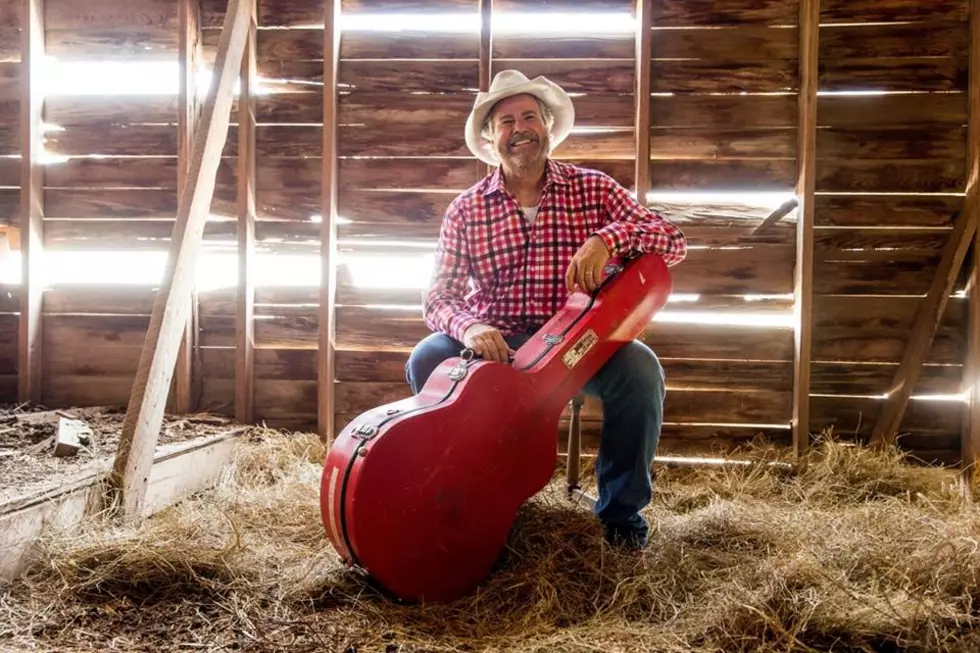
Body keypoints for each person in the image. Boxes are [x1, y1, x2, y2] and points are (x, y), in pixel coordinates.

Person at [404, 70, 688, 549]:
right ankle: (466, 496)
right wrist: (470, 326)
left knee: (641, 370)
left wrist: (608, 237)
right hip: (499, 344)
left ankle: (621, 519)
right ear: (491, 138)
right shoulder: (466, 209)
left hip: (580, 343)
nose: (520, 129)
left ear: (548, 128)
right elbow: (439, 297)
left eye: (530, 117)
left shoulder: (594, 190)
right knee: (428, 357)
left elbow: (673, 241)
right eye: (507, 121)